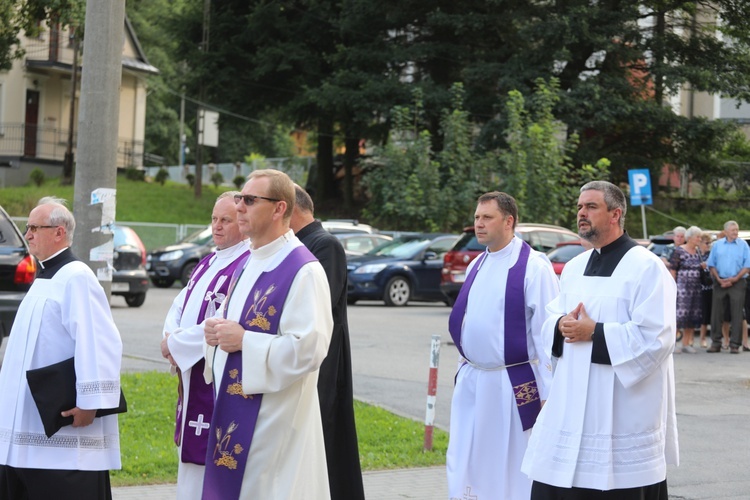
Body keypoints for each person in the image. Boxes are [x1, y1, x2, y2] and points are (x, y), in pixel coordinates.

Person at [522, 181, 678, 499]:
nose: (582, 213)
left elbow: (657, 337)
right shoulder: (575, 267)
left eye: (591, 207)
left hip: (621, 412)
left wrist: (595, 332)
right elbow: (551, 317)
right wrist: (560, 324)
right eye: (580, 207)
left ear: (615, 214)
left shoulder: (646, 267)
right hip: (569, 405)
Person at [201, 169, 333, 499]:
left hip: (273, 419)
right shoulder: (249, 262)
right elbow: (238, 327)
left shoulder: (303, 269)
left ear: (279, 209)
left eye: (249, 200)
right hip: (235, 409)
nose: (239, 207)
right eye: (238, 199)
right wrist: (218, 332)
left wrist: (245, 340)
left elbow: (309, 348)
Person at [0, 197, 123, 499]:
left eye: (34, 228)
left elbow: (97, 341)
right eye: (27, 228)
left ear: (59, 232)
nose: (27, 235)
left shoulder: (77, 276)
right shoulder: (44, 277)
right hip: (28, 416)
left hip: (64, 423)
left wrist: (90, 402)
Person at [446, 191, 559, 499]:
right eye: (476, 217)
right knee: (467, 452)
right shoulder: (477, 265)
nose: (478, 224)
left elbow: (546, 335)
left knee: (509, 461)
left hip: (512, 382)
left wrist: (549, 392)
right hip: (473, 379)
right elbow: (469, 322)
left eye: (487, 218)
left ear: (509, 221)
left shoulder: (534, 267)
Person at [159, 191, 249, 500]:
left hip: (213, 378)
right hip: (190, 370)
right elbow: (180, 303)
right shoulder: (209, 261)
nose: (217, 226)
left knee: (211, 461)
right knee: (190, 462)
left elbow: (224, 320)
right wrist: (170, 338)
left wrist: (177, 346)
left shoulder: (246, 264)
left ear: (242, 221)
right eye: (214, 219)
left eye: (226, 220)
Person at [289, 185, 365, 500]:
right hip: (300, 355)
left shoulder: (325, 246)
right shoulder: (295, 244)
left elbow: (319, 303)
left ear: (290, 208)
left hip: (324, 360)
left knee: (325, 436)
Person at [706, 221, 750, 354]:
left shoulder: (743, 246)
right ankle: (716, 343)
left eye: (736, 230)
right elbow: (711, 264)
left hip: (737, 282)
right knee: (716, 313)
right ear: (725, 232)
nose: (735, 232)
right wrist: (718, 279)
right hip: (720, 282)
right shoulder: (717, 245)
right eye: (733, 230)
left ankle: (735, 344)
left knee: (737, 314)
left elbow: (747, 265)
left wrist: (735, 279)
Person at [669, 226, 704, 353]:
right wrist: (673, 288)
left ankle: (686, 343)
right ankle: (671, 344)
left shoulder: (698, 251)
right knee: (679, 316)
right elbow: (673, 270)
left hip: (695, 288)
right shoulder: (679, 251)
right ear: (689, 238)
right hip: (682, 289)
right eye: (697, 237)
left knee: (692, 315)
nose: (699, 239)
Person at [697, 232, 713, 348]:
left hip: (711, 288)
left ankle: (717, 338)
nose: (708, 245)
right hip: (698, 288)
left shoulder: (711, 254)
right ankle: (701, 338)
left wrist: (707, 266)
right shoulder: (696, 255)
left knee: (712, 314)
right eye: (706, 243)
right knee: (703, 314)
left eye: (710, 243)